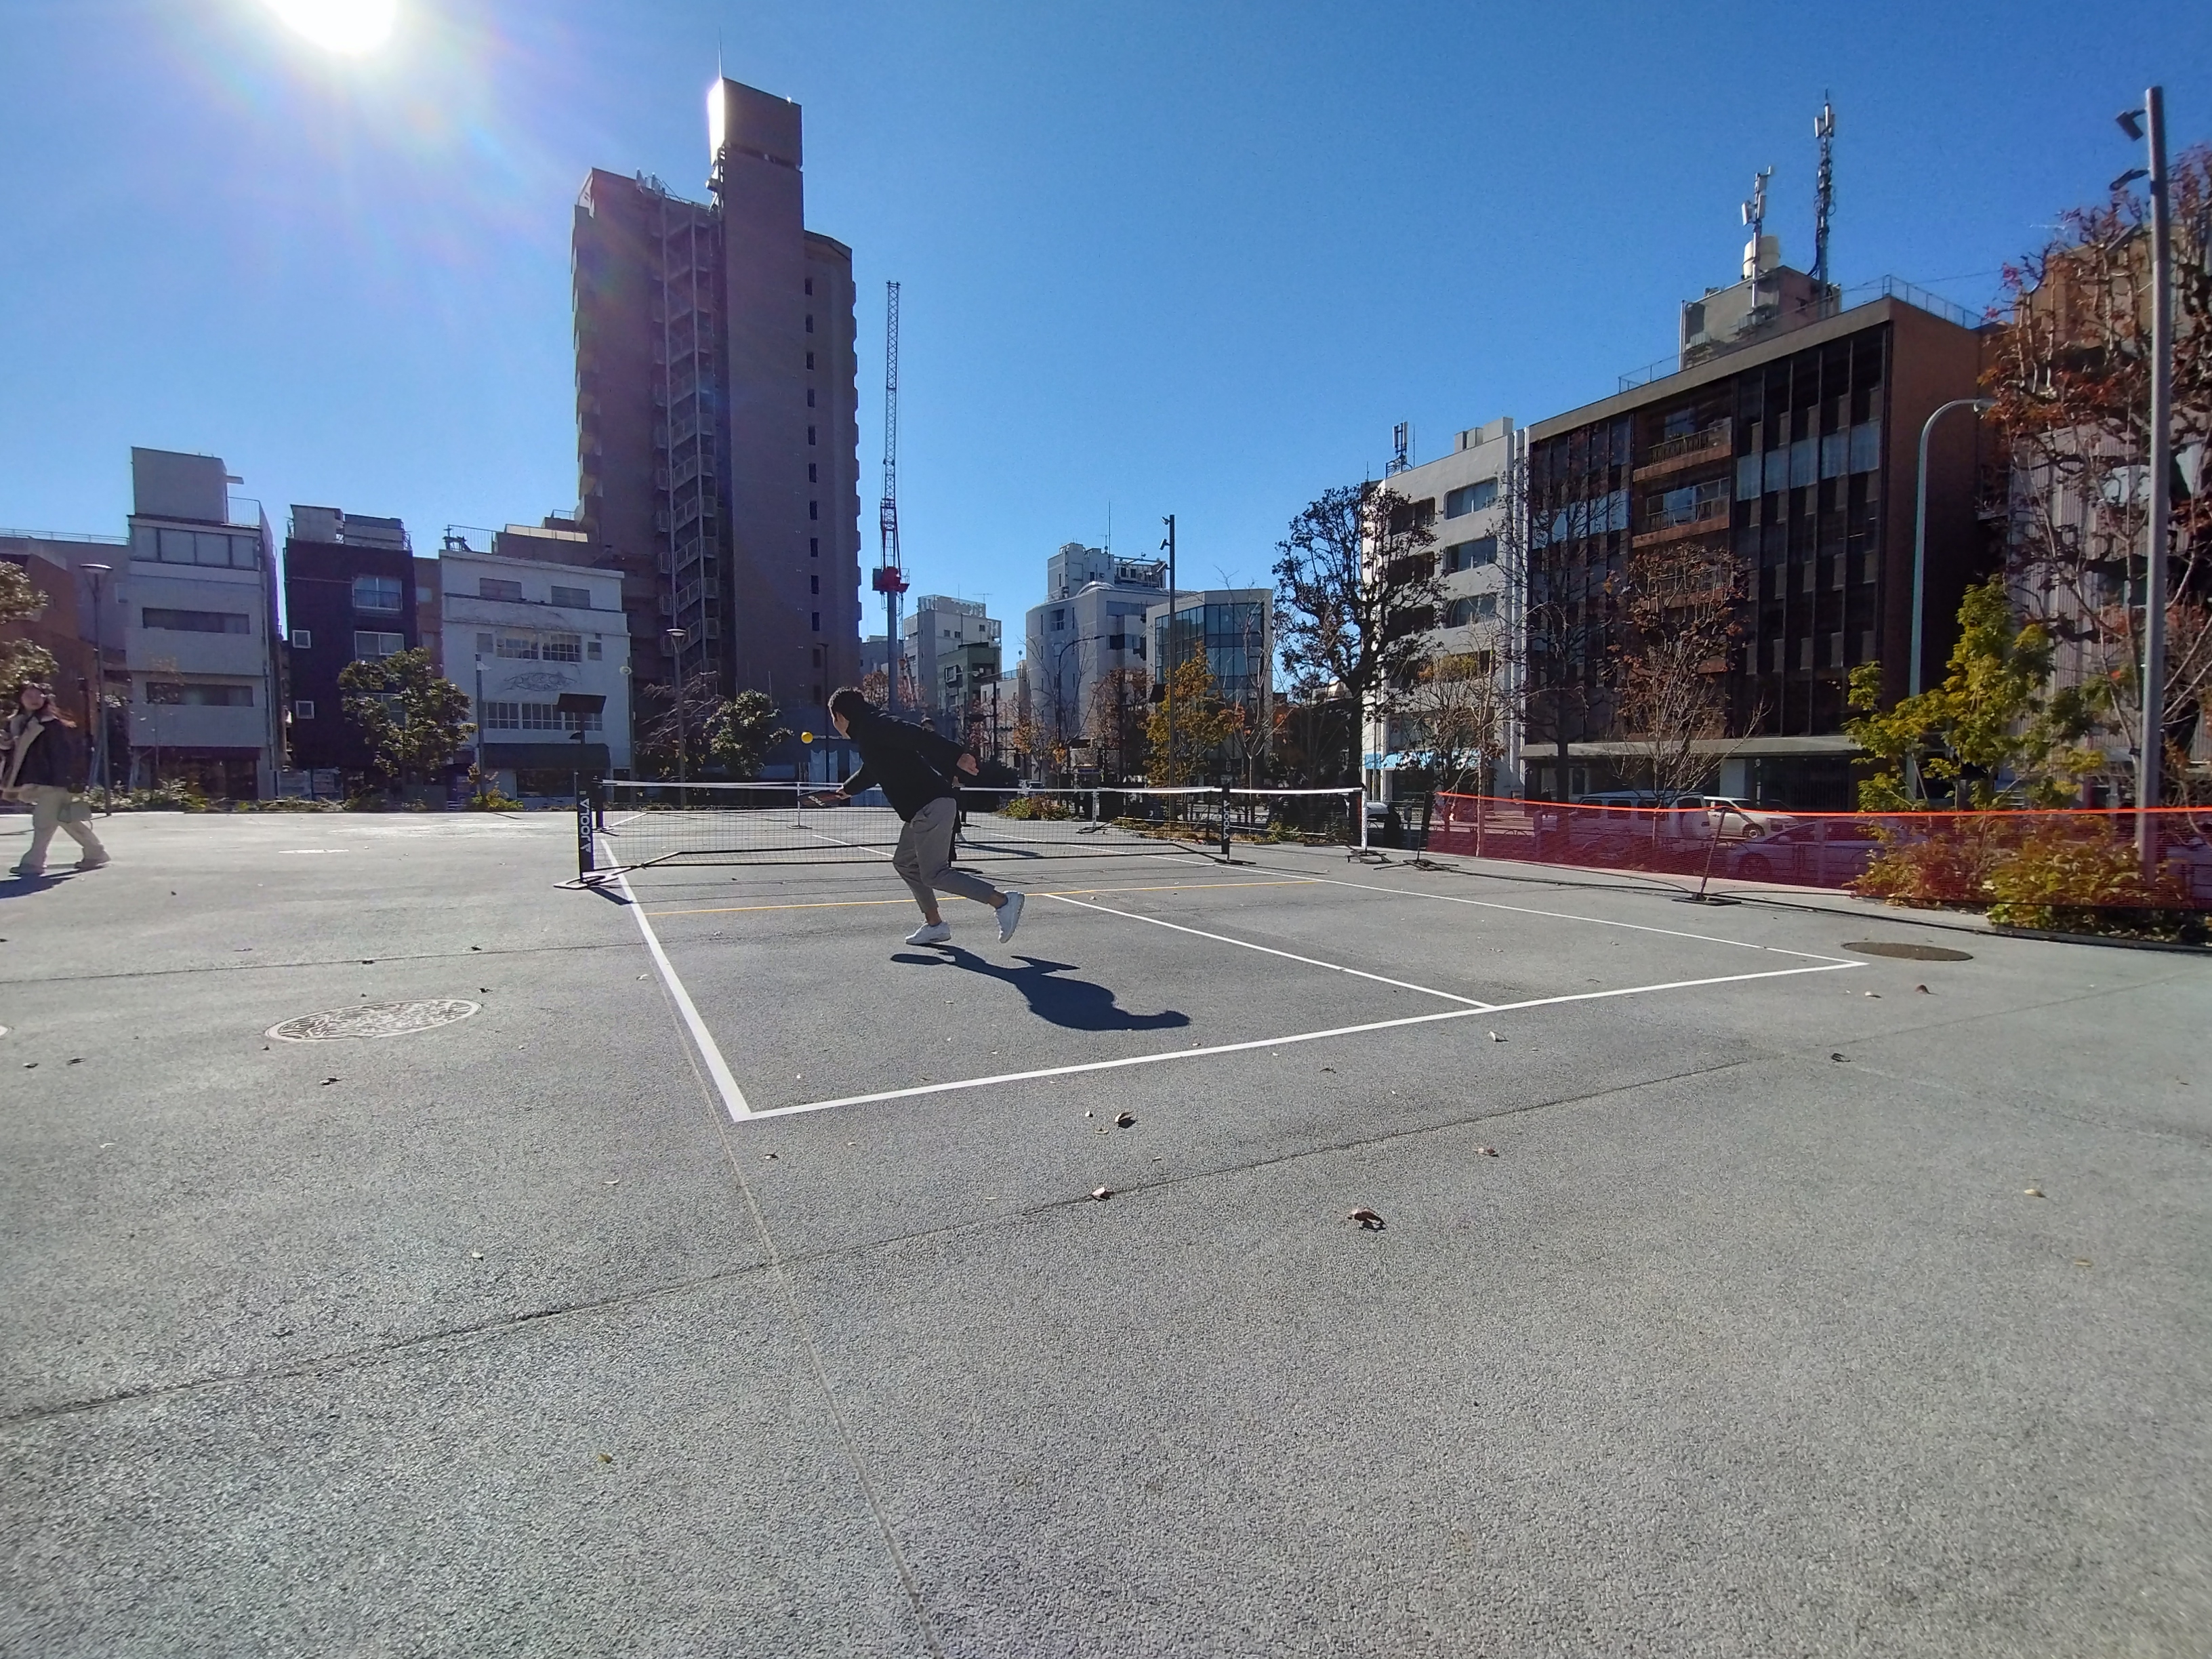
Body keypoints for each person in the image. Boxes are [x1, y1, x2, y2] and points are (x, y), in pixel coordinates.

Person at [813, 686, 1023, 947]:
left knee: (935, 874)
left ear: (841, 717)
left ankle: (1003, 902)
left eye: (833, 719)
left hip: (931, 806)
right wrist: (847, 790)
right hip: (921, 810)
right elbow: (872, 771)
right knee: (904, 863)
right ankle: (935, 925)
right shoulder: (870, 736)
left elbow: (917, 736)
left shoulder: (876, 725)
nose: (834, 726)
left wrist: (957, 755)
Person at [2, 680, 110, 878]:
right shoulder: (18, 723)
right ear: (20, 699)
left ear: (46, 698)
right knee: (66, 819)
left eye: (39, 695)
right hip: (34, 779)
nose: (34, 700)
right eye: (29, 696)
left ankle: (33, 862)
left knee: (43, 822)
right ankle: (95, 852)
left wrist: (70, 780)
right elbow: (17, 755)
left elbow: (64, 755)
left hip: (53, 780)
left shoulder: (51, 724)